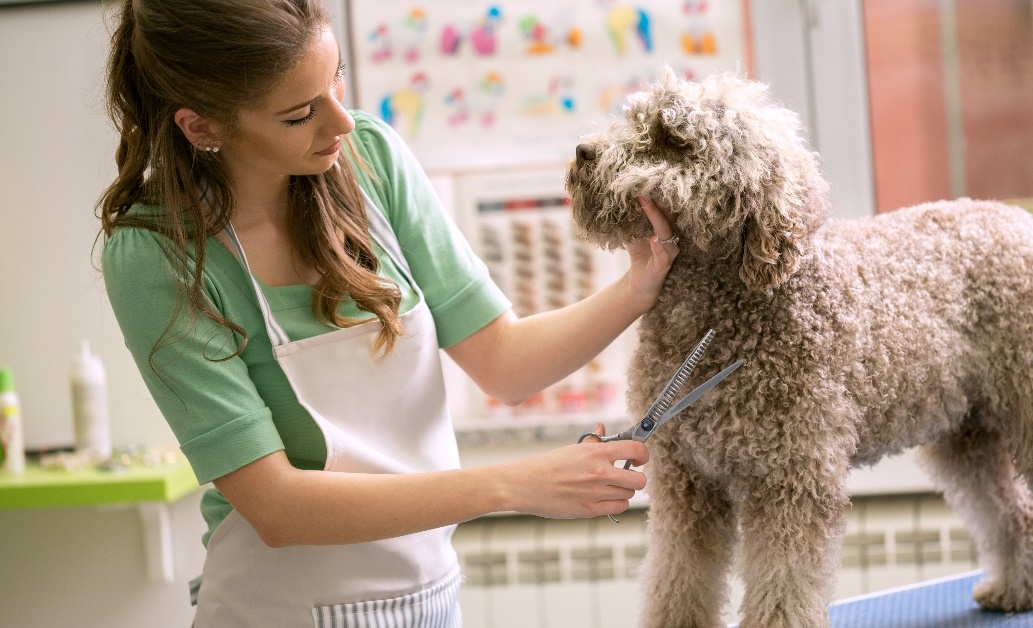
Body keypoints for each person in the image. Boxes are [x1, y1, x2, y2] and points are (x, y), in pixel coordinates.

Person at [97, 1, 678, 625]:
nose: (340, 121)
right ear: (202, 126)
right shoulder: (157, 256)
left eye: (335, 79)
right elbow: (277, 507)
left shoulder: (369, 162)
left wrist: (638, 287)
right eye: (300, 114)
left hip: (432, 599)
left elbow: (504, 363)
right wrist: (514, 486)